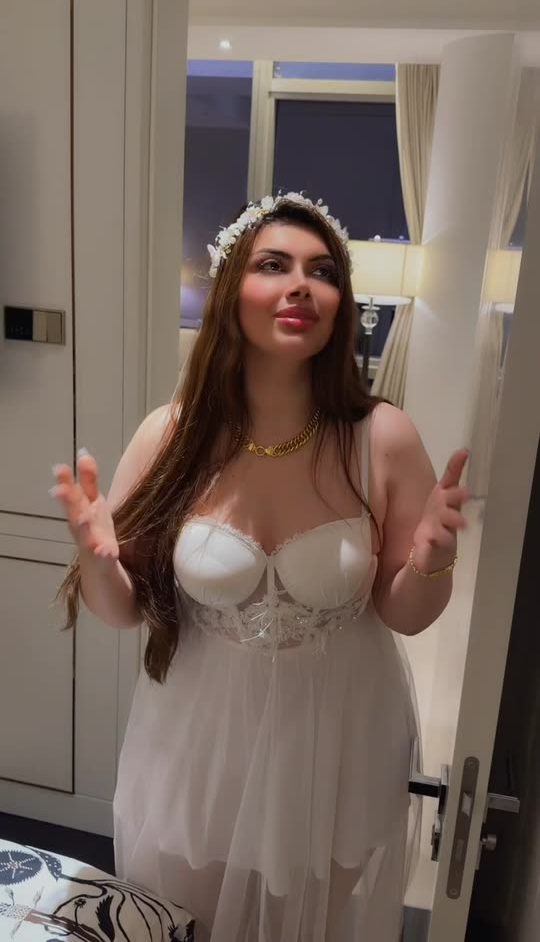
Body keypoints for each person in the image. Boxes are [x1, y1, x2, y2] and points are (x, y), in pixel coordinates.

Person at [52, 193, 469, 942]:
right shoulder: (171, 435)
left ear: (341, 304)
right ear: (228, 293)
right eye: (274, 265)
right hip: (200, 744)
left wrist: (433, 562)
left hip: (339, 744)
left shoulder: (383, 438)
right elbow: (122, 610)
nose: (301, 285)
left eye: (322, 271)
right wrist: (96, 558)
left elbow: (405, 613)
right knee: (187, 922)